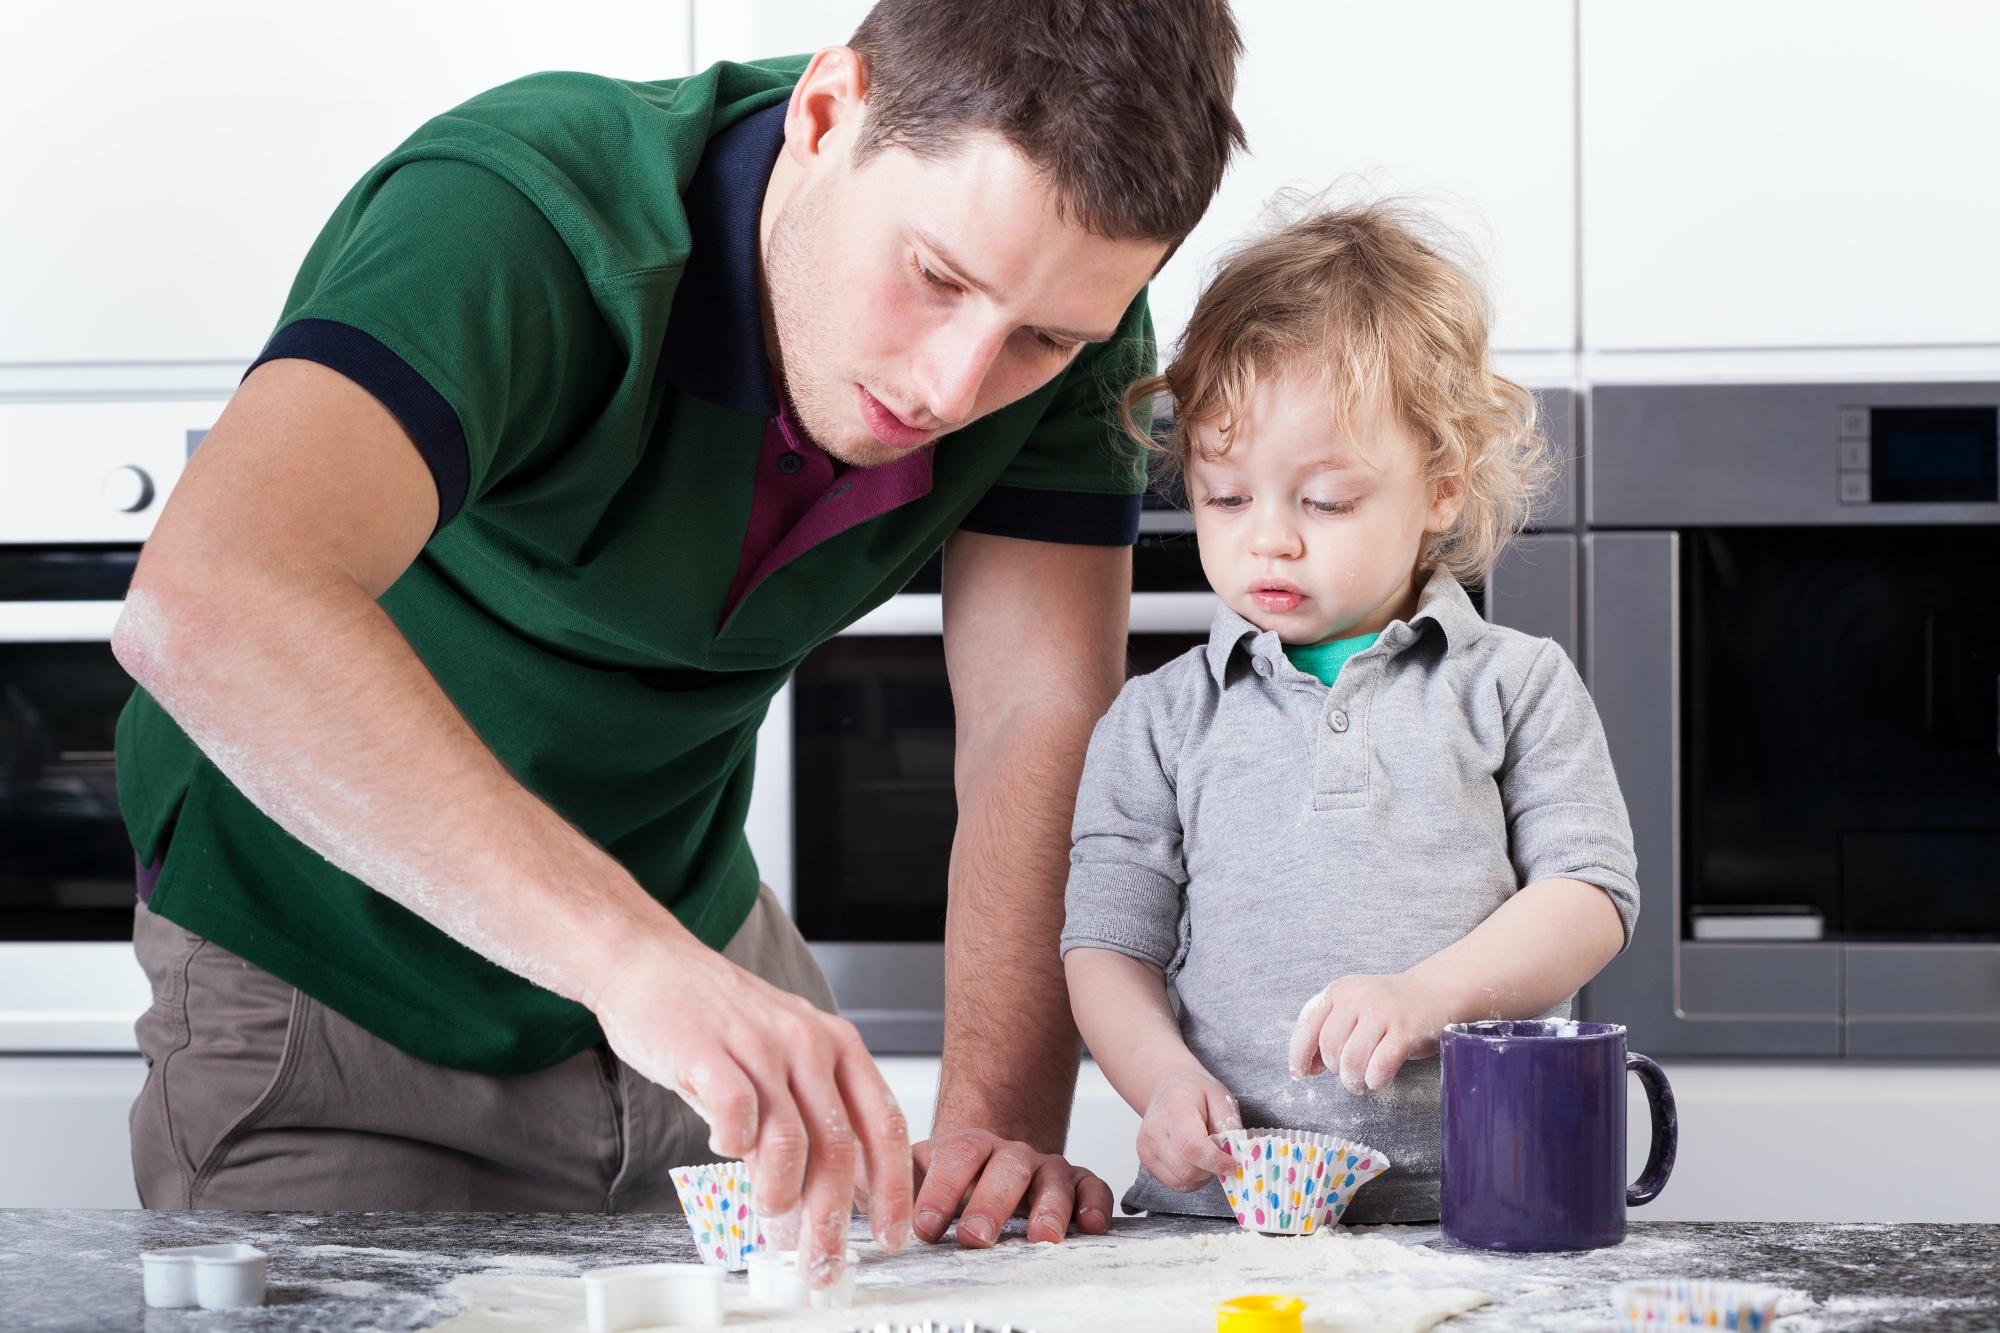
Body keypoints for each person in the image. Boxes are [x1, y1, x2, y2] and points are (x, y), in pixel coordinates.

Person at [112, 0, 1244, 1285]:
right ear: (825, 115)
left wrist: (993, 1126)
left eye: (1043, 341)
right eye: (934, 278)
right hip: (327, 975)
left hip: (687, 950)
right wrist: (632, 961)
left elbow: (1034, 717)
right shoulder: (519, 213)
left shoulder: (1061, 318)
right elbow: (213, 597)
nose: (954, 388)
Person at [1060, 201, 1640, 1225]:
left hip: (1481, 1203)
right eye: (1225, 498)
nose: (1267, 541)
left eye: (1323, 501)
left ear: (1440, 489)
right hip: (1221, 1219)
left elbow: (1588, 898)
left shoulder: (1515, 685)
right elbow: (1108, 947)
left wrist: (1429, 996)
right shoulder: (1154, 719)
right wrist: (1158, 1084)